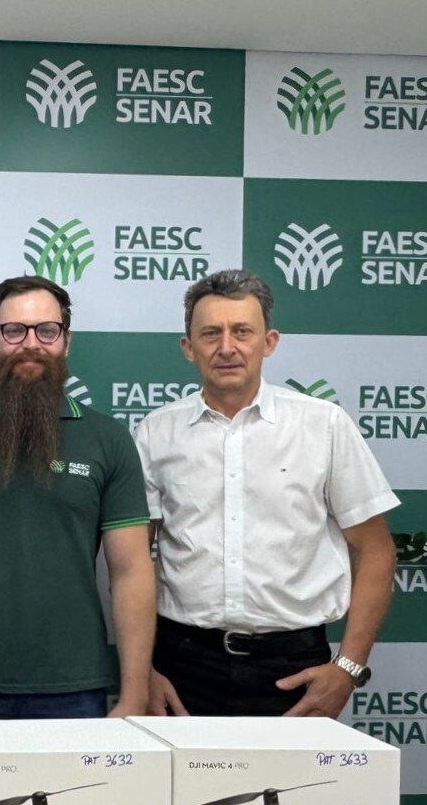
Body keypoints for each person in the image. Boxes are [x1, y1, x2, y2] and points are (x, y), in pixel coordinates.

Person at [133, 269, 399, 717]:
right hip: (182, 667)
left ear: (269, 342)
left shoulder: (324, 425)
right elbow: (133, 561)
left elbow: (376, 551)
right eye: (211, 333)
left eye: (242, 332)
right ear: (188, 347)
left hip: (294, 667)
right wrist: (143, 670)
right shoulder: (156, 433)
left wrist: (348, 668)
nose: (227, 347)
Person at [0, 276, 156, 721]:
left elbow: (131, 571)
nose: (31, 344)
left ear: (67, 341)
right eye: (14, 330)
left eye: (47, 331)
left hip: (75, 688)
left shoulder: (108, 439)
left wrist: (134, 694)